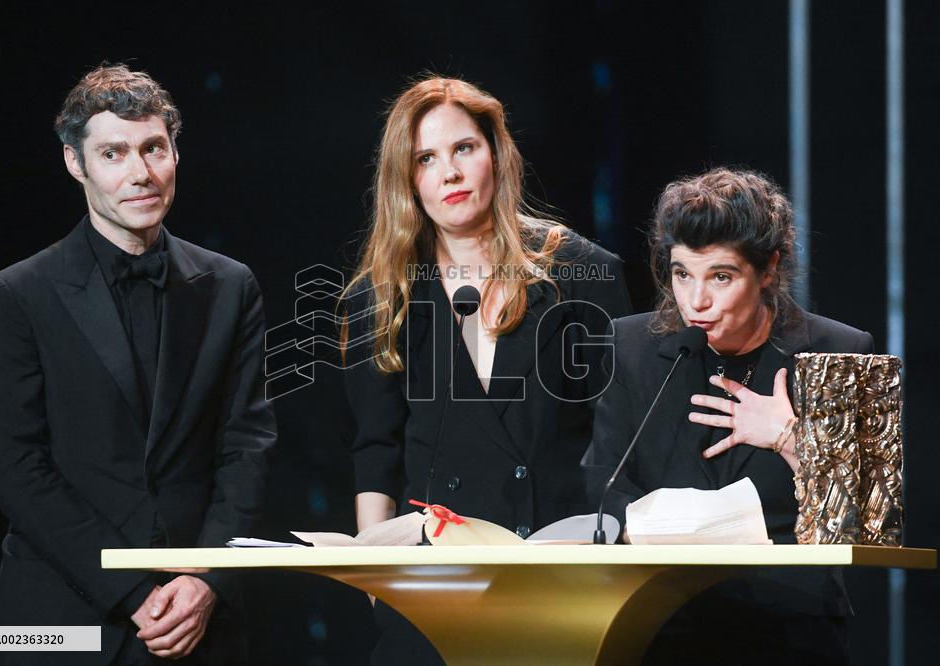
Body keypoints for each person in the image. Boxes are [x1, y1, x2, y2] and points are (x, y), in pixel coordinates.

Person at [0, 64, 276, 665]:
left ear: (174, 153)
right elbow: (14, 466)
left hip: (198, 620)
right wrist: (133, 591)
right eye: (113, 153)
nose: (141, 173)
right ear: (74, 163)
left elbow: (248, 446)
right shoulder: (16, 295)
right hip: (59, 620)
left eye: (153, 149)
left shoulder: (230, 285)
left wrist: (207, 579)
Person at [342, 76, 632, 664]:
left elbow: (623, 436)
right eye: (426, 158)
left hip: (561, 583)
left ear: (496, 154)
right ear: (407, 180)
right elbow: (376, 450)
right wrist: (380, 591)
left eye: (463, 149)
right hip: (433, 591)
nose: (448, 172)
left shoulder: (581, 271)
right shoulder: (382, 296)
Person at [585, 167, 873, 664]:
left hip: (791, 632)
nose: (697, 301)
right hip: (661, 624)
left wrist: (787, 434)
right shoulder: (631, 347)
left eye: (721, 277)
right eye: (682, 274)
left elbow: (860, 517)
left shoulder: (837, 354)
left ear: (768, 270)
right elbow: (604, 486)